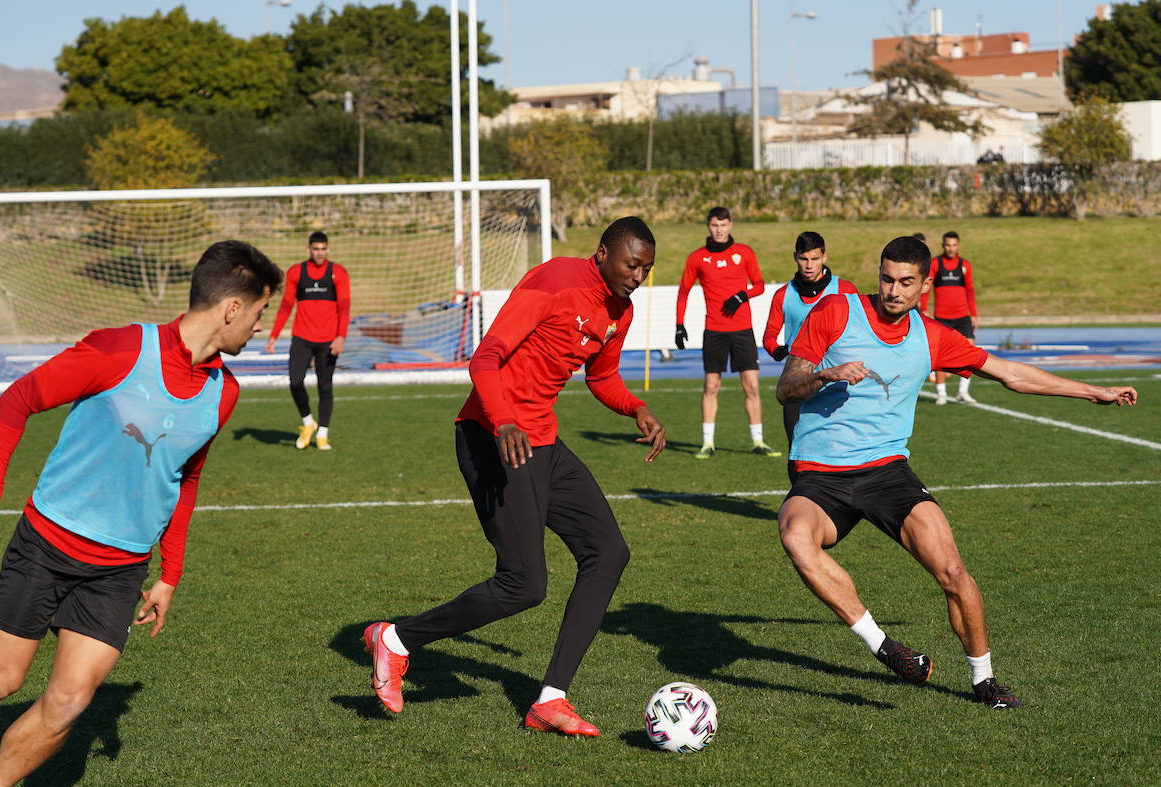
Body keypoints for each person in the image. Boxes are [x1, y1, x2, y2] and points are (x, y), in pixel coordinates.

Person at [0, 241, 282, 787]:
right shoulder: (119, 349)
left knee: (68, 702)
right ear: (232, 307)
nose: (263, 326)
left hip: (118, 571)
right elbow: (18, 400)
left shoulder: (224, 392)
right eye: (261, 312)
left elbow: (186, 479)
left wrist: (170, 573)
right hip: (46, 545)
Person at [776, 236, 1137, 711]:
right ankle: (883, 646)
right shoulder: (835, 312)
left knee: (951, 570)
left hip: (886, 472)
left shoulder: (932, 337)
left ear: (924, 285)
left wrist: (1093, 392)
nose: (893, 291)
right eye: (886, 279)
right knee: (795, 537)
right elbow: (786, 387)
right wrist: (826, 374)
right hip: (820, 474)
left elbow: (1011, 374)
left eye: (906, 282)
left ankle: (984, 680)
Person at [362, 217, 667, 737]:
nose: (638, 276)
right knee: (523, 584)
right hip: (491, 437)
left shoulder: (621, 309)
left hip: (540, 442)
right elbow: (486, 357)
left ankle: (550, 699)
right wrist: (503, 419)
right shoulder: (555, 281)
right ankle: (395, 640)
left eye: (647, 269)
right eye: (632, 265)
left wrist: (635, 407)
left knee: (608, 552)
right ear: (602, 253)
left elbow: (601, 376)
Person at [674, 206, 778, 458]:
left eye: (723, 225)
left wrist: (742, 295)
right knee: (711, 386)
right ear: (708, 226)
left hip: (742, 330)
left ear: (730, 225)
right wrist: (679, 324)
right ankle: (707, 443)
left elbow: (760, 285)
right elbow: (684, 292)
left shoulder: (744, 253)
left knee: (751, 386)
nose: (719, 230)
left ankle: (759, 441)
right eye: (714, 225)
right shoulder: (697, 258)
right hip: (714, 331)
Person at [762, 230, 859, 476]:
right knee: (796, 454)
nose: (809, 265)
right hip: (798, 382)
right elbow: (769, 335)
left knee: (840, 451)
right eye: (804, 259)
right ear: (795, 257)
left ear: (824, 257)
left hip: (836, 384)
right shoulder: (784, 295)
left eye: (814, 259)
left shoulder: (845, 289)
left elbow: (860, 329)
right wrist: (778, 350)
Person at [265, 231, 352, 449]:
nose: (320, 253)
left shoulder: (338, 273)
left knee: (325, 387)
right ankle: (307, 423)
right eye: (316, 249)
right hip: (302, 338)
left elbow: (344, 308)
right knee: (295, 381)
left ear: (328, 249)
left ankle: (323, 434)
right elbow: (286, 305)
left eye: (323, 249)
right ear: (309, 249)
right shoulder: (296, 272)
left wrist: (341, 337)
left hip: (328, 341)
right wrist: (274, 335)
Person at [921, 230, 978, 405]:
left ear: (958, 245)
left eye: (954, 245)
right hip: (942, 317)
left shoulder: (965, 265)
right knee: (941, 354)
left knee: (970, 351)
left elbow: (970, 290)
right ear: (943, 245)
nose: (951, 248)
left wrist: (974, 314)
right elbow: (927, 288)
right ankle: (942, 394)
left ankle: (963, 391)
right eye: (948, 245)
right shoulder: (935, 264)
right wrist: (924, 308)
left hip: (962, 316)